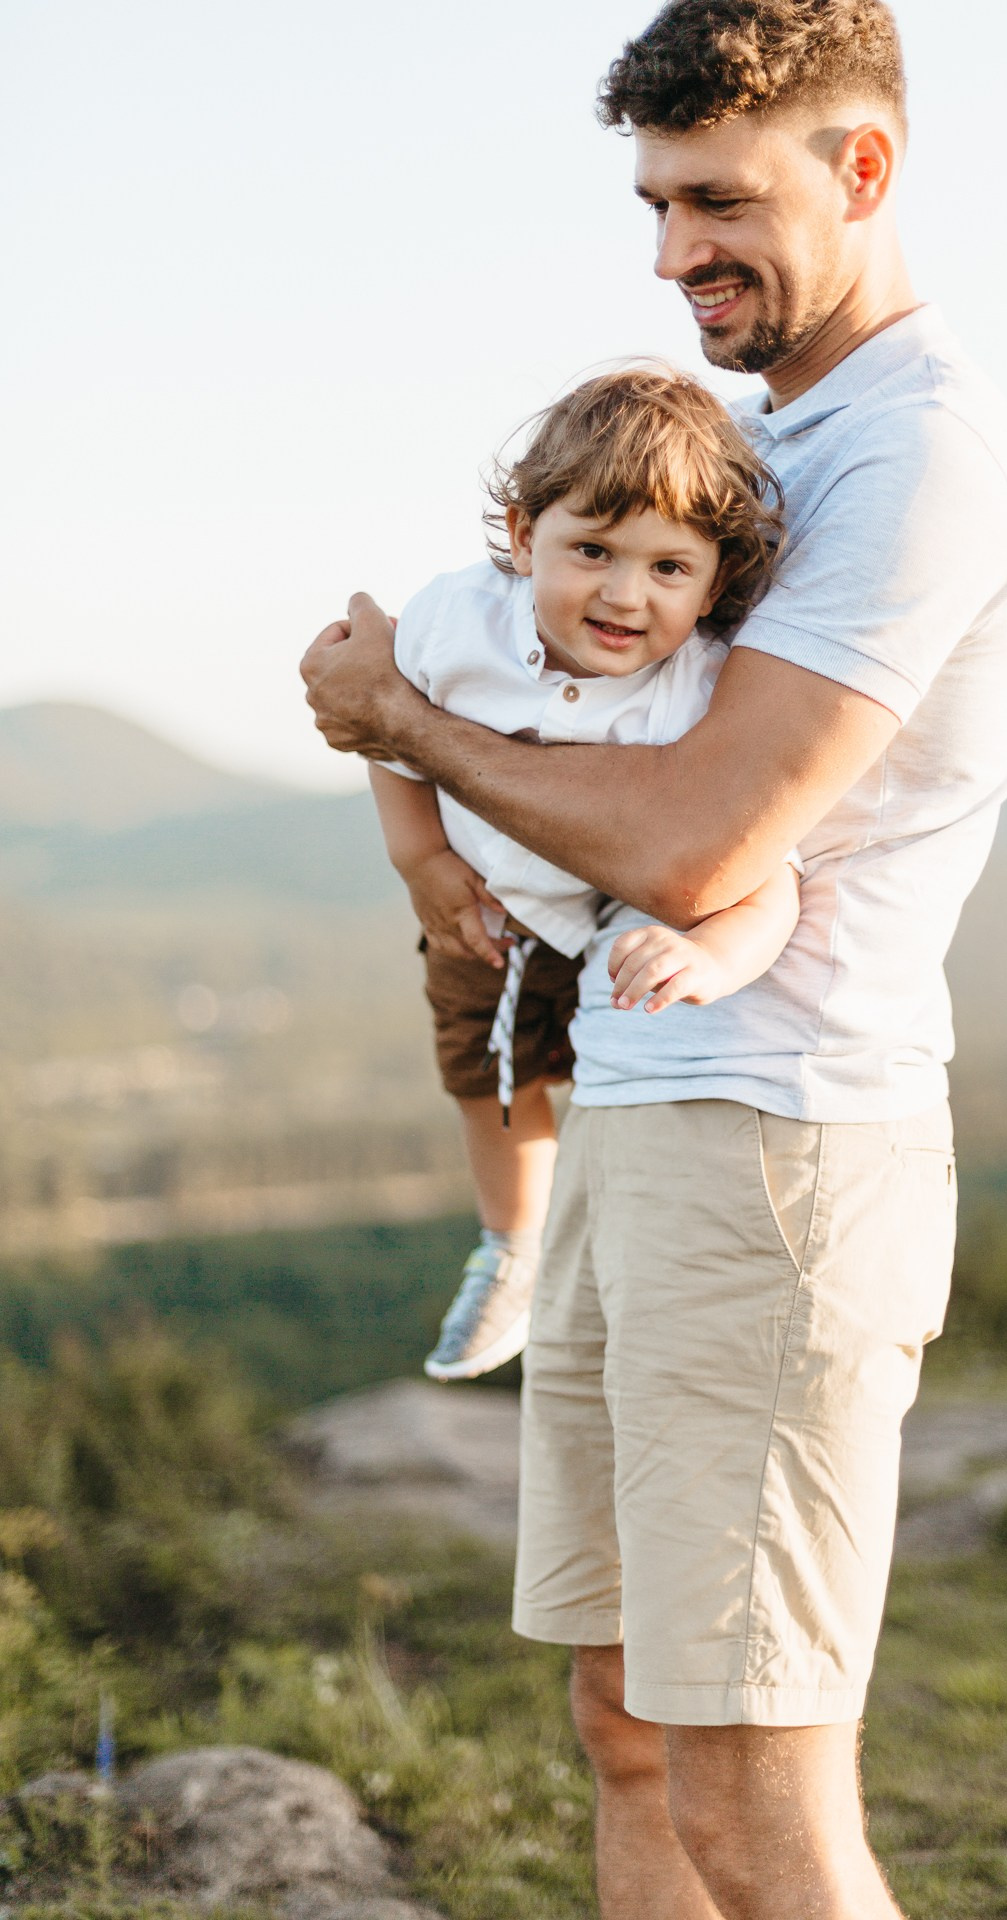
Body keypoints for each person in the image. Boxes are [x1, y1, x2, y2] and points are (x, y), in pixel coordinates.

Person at [301, 2, 1007, 1914]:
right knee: (630, 1735)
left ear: (861, 170)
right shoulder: (763, 441)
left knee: (754, 1802)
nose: (669, 253)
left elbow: (701, 836)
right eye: (653, 204)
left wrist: (408, 723)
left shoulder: (918, 455)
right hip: (641, 1123)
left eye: (716, 198)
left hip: (780, 1152)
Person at [367, 366, 795, 1380]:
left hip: (617, 925)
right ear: (523, 537)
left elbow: (765, 872)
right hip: (487, 915)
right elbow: (385, 742)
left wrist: (708, 955)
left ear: (712, 579)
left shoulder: (698, 688)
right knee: (488, 1080)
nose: (621, 594)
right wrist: (421, 861)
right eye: (591, 551)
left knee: (617, 1106)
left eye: (666, 569)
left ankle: (589, 1268)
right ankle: (510, 1247)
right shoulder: (450, 623)